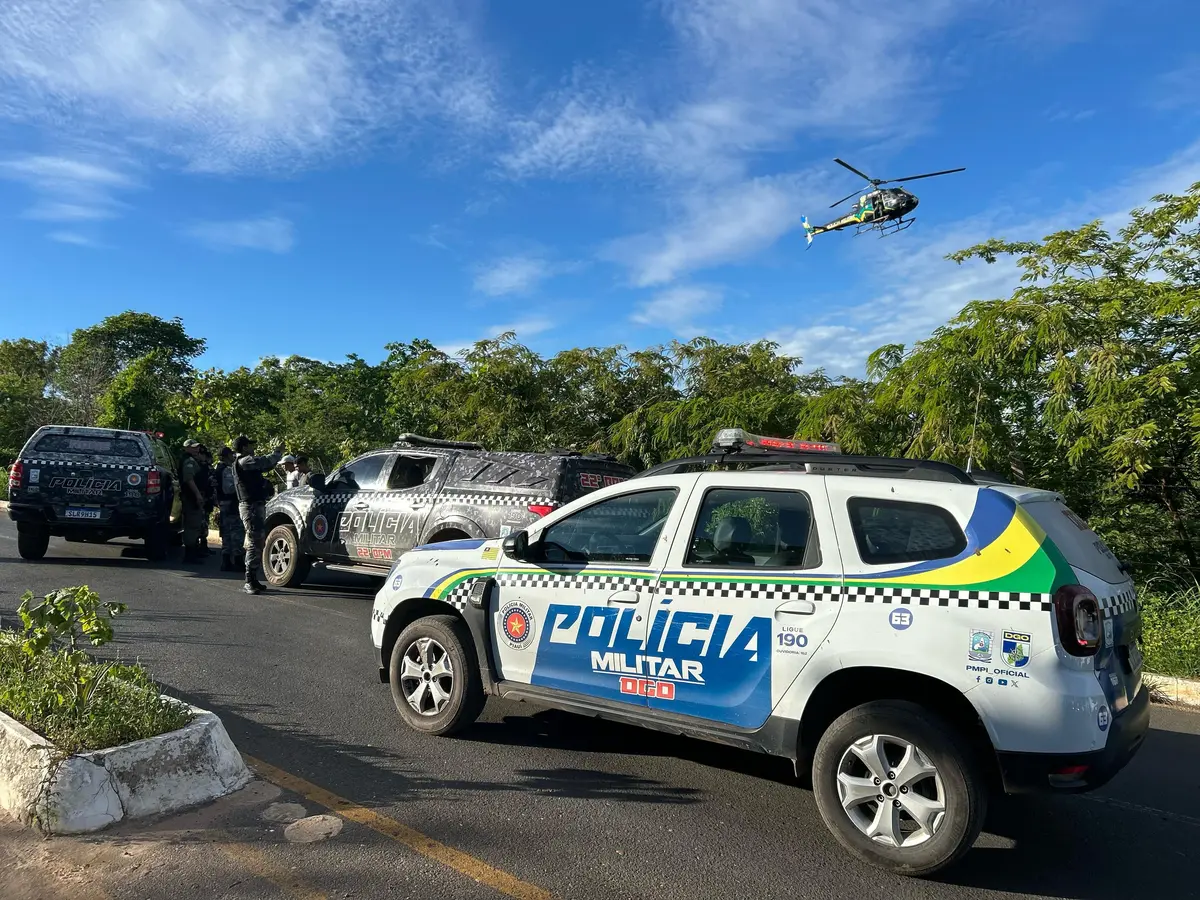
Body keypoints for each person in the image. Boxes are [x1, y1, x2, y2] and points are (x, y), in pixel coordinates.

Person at [233, 435, 283, 594]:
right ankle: (249, 580)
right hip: (251, 507)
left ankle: (253, 579)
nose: (252, 448)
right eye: (250, 445)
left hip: (254, 506)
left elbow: (265, 467)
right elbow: (265, 462)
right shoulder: (245, 461)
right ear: (244, 447)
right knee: (254, 542)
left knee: (258, 541)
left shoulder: (244, 462)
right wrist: (277, 453)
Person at [214, 446, 245, 572]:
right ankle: (237, 561)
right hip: (231, 505)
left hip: (224, 504)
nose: (233, 457)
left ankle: (226, 561)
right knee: (236, 533)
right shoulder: (226, 470)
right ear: (227, 456)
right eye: (231, 455)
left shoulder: (218, 469)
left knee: (226, 533)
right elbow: (229, 489)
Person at [179, 439, 208, 563]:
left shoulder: (194, 460)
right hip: (191, 498)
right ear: (186, 448)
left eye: (197, 447)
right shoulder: (189, 461)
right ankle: (189, 555)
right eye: (193, 447)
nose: (197, 449)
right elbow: (189, 479)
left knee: (195, 525)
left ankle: (193, 553)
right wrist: (197, 495)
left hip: (193, 497)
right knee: (192, 525)